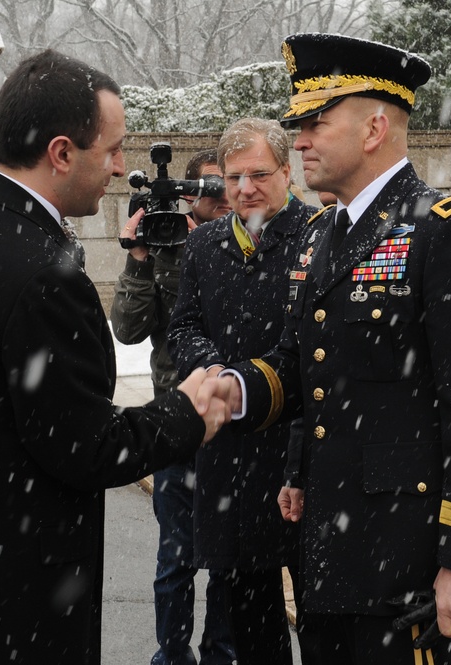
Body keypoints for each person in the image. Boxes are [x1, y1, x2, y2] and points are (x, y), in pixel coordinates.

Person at [0, 50, 232, 664]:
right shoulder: (41, 271)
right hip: (14, 606)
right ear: (62, 153)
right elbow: (86, 446)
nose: (124, 169)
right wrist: (185, 412)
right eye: (113, 149)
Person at [218, 34, 451, 665]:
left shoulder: (446, 231)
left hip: (406, 564)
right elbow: (309, 370)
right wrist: (239, 394)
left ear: (375, 128)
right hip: (331, 552)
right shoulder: (320, 236)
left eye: (315, 123)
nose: (298, 140)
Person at [167, 118, 318, 665]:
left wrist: (297, 463)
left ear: (287, 170)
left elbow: (316, 363)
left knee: (322, 625)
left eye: (259, 174)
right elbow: (181, 327)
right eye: (233, 178)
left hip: (299, 460)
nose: (244, 189)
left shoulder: (320, 236)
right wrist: (211, 369)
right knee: (252, 630)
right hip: (229, 460)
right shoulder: (206, 243)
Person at [109, 148, 234, 665]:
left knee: (229, 560)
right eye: (208, 188)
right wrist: (139, 257)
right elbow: (127, 327)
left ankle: (221, 653)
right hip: (176, 423)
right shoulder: (163, 248)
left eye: (224, 185)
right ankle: (172, 654)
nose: (220, 197)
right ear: (188, 193)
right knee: (175, 558)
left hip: (232, 421)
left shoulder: (243, 244)